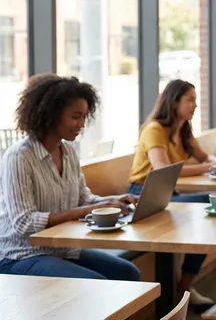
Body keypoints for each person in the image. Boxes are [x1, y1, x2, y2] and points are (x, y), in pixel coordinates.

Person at [127, 79, 216, 309]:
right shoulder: (154, 130)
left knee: (211, 210)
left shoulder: (183, 130)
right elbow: (163, 170)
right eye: (190, 100)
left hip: (169, 193)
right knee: (208, 205)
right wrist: (211, 166)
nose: (195, 105)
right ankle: (193, 283)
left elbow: (203, 157)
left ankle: (186, 286)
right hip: (143, 195)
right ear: (174, 101)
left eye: (196, 100)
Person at [0, 74, 140, 281]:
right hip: (20, 254)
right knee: (99, 285)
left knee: (128, 273)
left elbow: (83, 199)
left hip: (61, 249)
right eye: (76, 116)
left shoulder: (68, 151)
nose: (82, 123)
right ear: (51, 115)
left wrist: (113, 201)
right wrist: (87, 210)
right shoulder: (19, 156)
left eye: (84, 116)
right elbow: (24, 223)